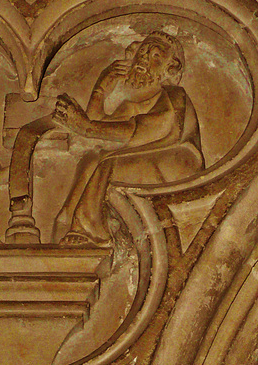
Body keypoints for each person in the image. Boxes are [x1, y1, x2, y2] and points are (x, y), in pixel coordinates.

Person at [51, 30, 205, 246]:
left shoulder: (174, 95)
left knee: (109, 164)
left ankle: (90, 233)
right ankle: (65, 223)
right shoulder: (131, 106)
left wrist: (87, 127)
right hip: (148, 160)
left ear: (168, 69)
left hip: (176, 162)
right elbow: (101, 134)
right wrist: (102, 87)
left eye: (156, 56)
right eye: (142, 52)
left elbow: (153, 128)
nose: (144, 58)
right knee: (91, 160)